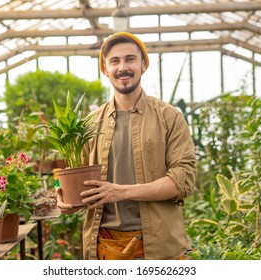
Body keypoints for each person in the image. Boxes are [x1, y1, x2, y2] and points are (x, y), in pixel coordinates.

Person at [56, 32, 196, 260]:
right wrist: (60, 194)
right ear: (105, 69)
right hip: (104, 246)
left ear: (143, 64)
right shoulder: (90, 124)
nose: (123, 67)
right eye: (115, 61)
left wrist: (120, 192)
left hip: (159, 248)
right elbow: (71, 171)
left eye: (130, 59)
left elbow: (183, 181)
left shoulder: (169, 117)